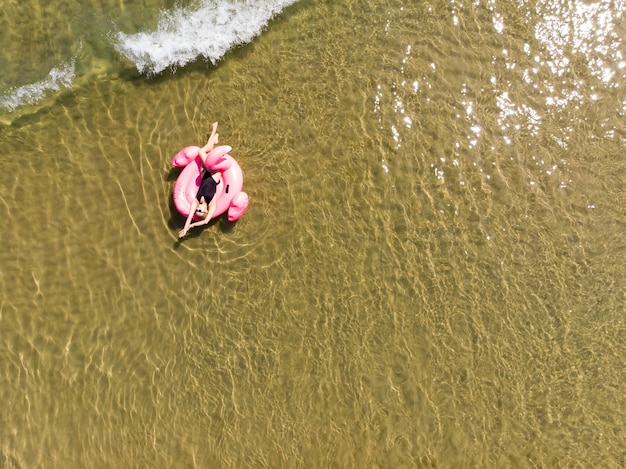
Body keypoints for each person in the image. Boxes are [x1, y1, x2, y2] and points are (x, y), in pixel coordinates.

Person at [178, 122, 223, 238]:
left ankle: (214, 136)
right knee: (201, 152)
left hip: (205, 173)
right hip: (214, 176)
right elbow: (206, 222)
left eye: (197, 210)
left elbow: (189, 217)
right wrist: (192, 227)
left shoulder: (196, 201)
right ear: (206, 211)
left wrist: (185, 227)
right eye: (200, 210)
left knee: (206, 153)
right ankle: (214, 131)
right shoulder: (212, 205)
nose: (198, 208)